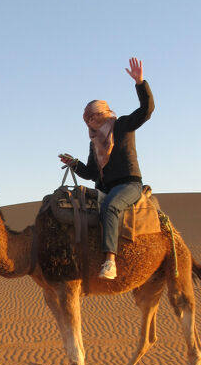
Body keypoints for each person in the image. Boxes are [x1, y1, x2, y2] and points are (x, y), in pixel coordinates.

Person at [59, 58, 154, 280]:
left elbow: (146, 110)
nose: (91, 120)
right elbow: (92, 173)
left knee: (110, 207)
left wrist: (140, 83)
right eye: (87, 118)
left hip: (128, 184)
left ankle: (110, 262)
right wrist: (74, 163)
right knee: (77, 206)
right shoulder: (94, 143)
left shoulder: (122, 125)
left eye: (94, 115)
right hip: (104, 187)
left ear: (104, 112)